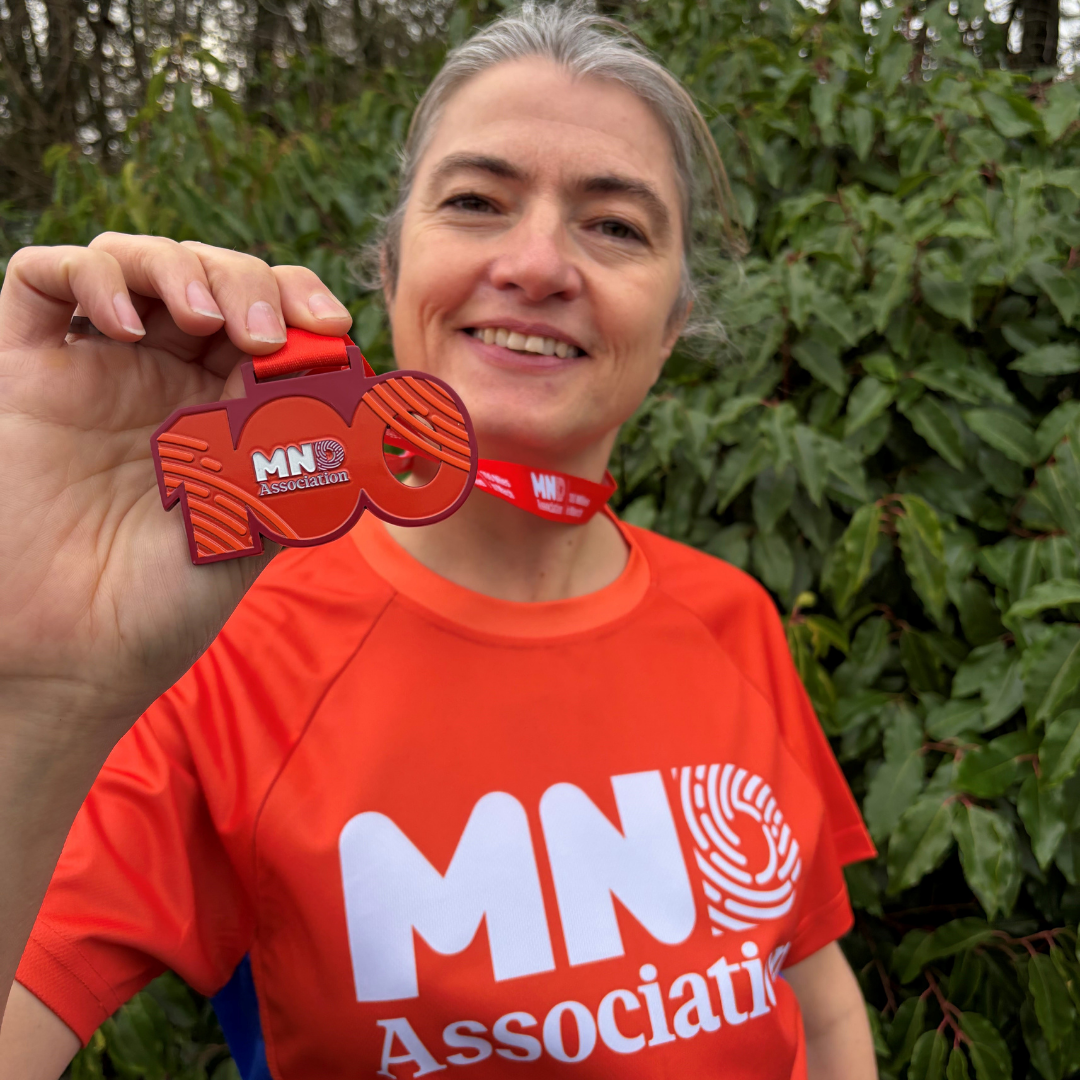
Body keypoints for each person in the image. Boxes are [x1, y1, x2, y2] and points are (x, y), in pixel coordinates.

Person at [0, 5, 878, 1078]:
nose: (537, 262)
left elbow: (818, 1003)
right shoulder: (211, 649)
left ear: (677, 316)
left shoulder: (729, 617)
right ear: (389, 262)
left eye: (615, 226)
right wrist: (43, 684)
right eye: (475, 201)